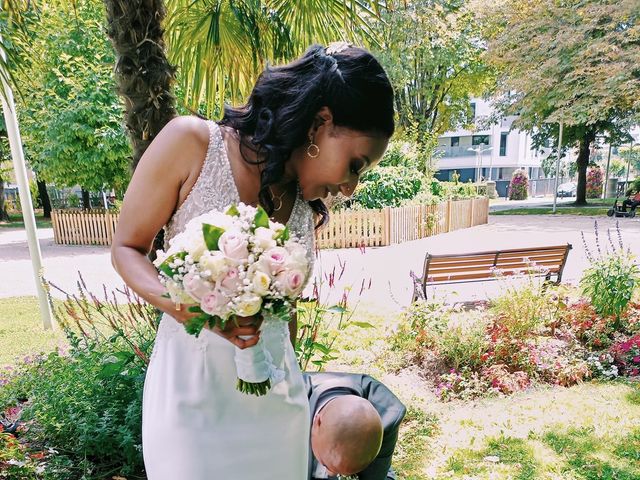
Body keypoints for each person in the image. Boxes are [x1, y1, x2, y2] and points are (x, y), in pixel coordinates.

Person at [111, 42, 394, 480]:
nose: (351, 187)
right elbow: (126, 249)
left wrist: (290, 376)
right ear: (321, 124)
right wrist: (184, 305)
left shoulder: (301, 203)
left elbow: (287, 316)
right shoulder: (191, 143)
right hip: (193, 396)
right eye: (355, 164)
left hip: (278, 407)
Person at [304, 372, 407, 480]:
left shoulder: (389, 416)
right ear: (317, 422)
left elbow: (375, 476)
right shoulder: (290, 401)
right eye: (325, 464)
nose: (331, 474)